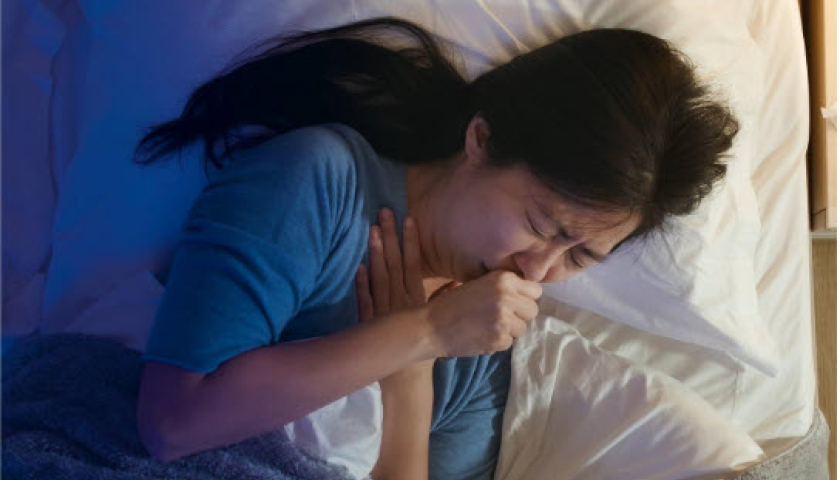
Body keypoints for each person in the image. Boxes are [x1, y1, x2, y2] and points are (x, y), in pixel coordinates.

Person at [132, 16, 739, 480]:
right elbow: (172, 423)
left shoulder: (483, 344)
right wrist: (425, 331)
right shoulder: (319, 182)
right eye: (540, 224)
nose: (536, 271)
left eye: (579, 258)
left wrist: (412, 377)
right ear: (481, 139)